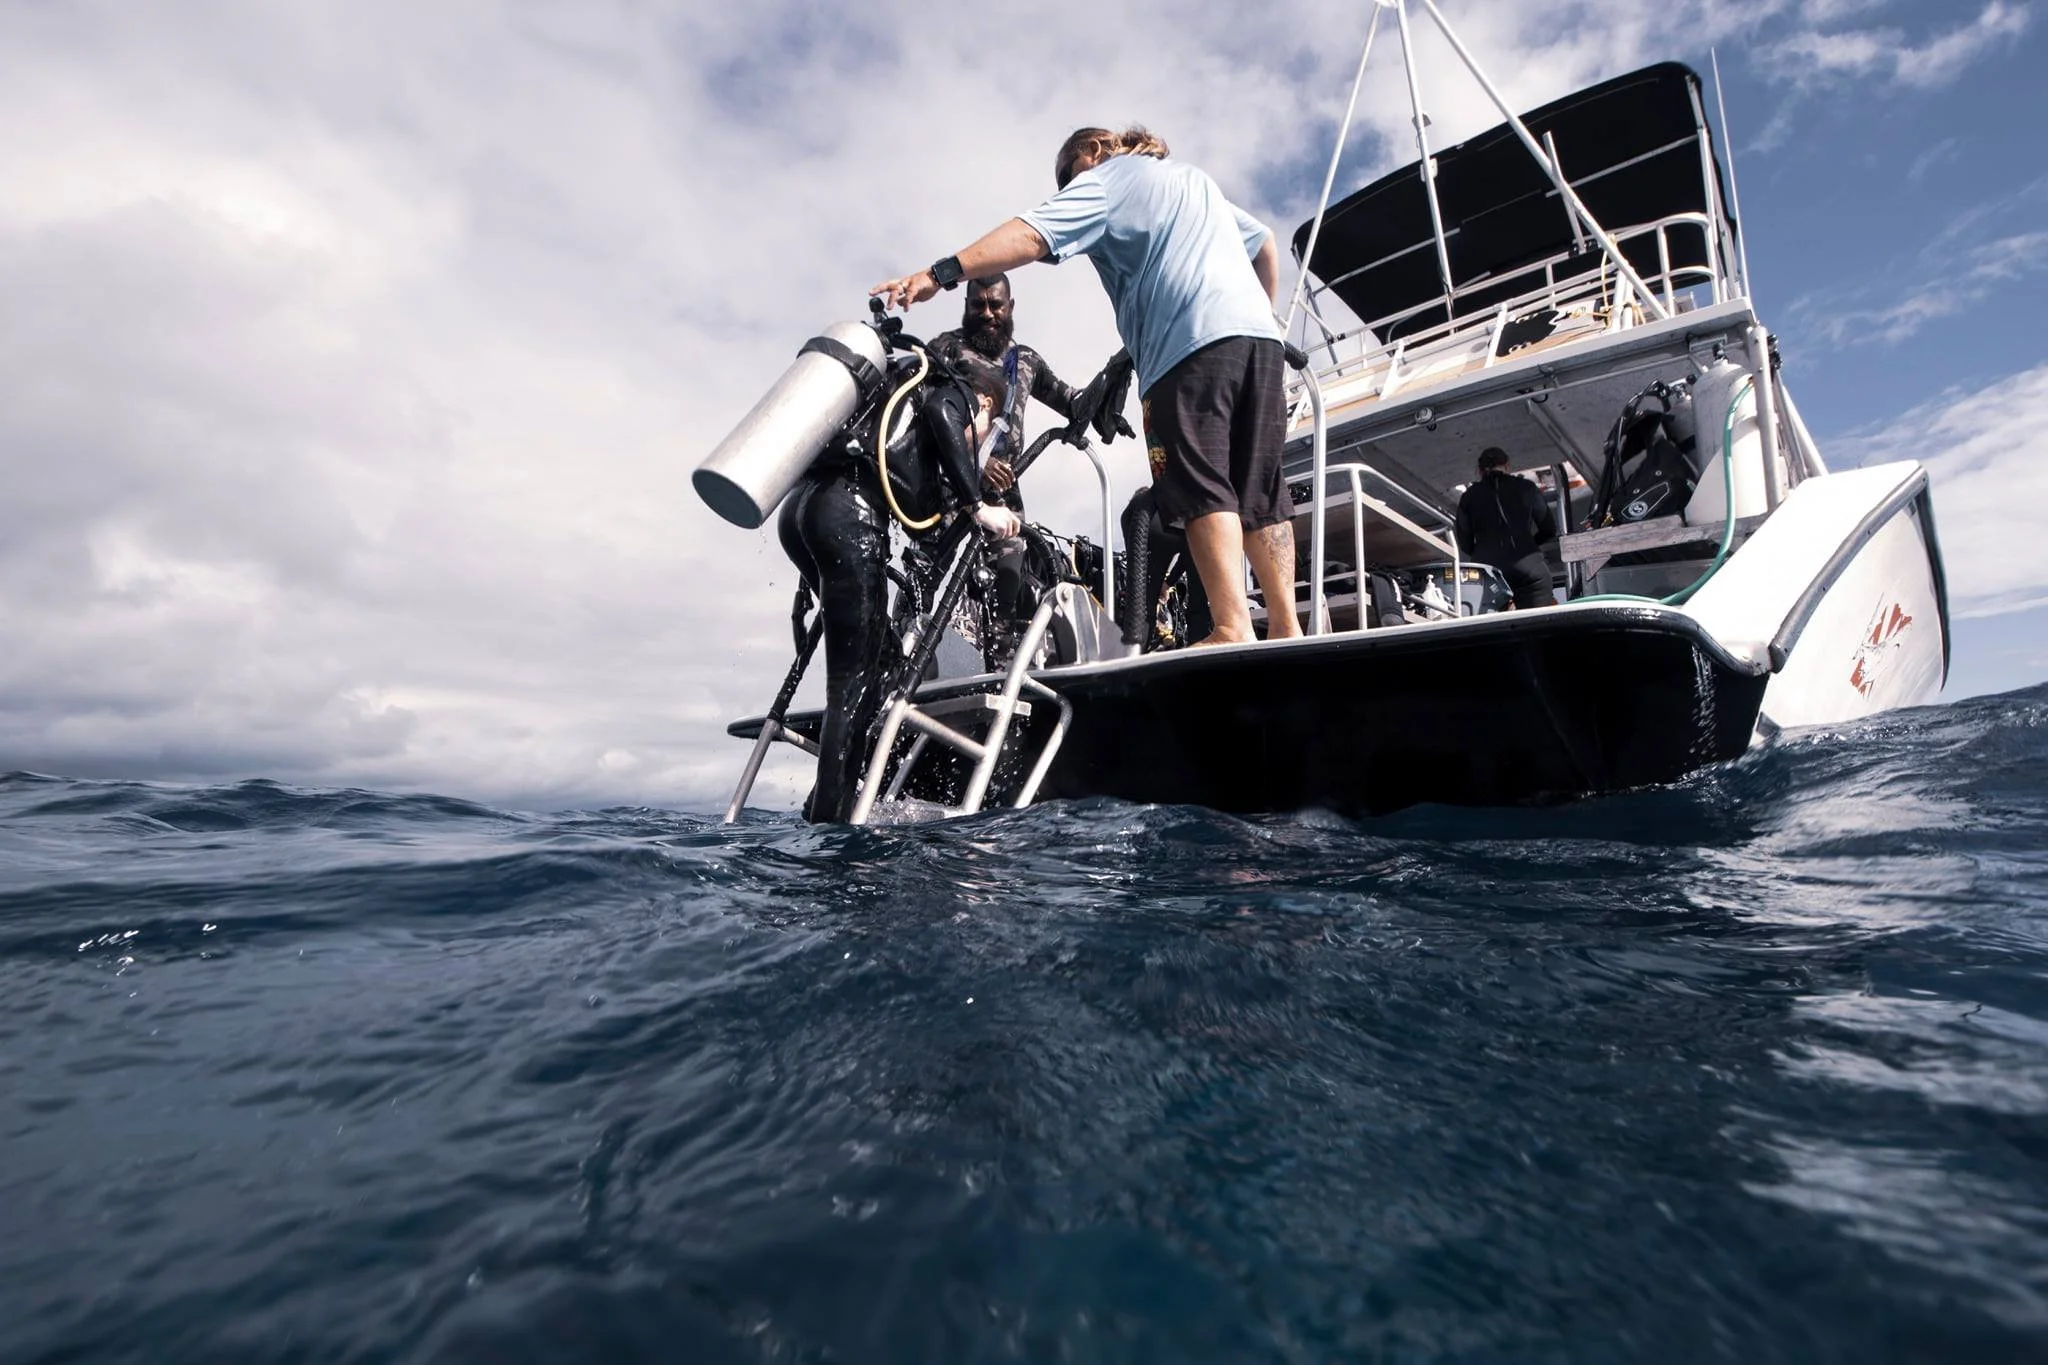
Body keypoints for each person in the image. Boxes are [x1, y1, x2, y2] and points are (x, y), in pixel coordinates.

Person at [872, 125, 1302, 646]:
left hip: (1187, 352)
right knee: (1261, 494)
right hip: (1259, 344)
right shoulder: (1193, 182)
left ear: (1093, 152)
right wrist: (1254, 318)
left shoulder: (1105, 179)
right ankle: (1286, 625)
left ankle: (1233, 628)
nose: (1069, 196)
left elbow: (1029, 236)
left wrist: (938, 274)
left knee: (1200, 483)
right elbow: (1266, 246)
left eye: (1068, 181)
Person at [778, 359, 1016, 822]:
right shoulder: (956, 394)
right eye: (989, 426)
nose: (982, 438)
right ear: (986, 403)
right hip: (849, 516)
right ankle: (832, 831)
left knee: (875, 665)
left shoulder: (894, 404)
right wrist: (978, 506)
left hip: (801, 511)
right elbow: (943, 416)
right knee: (852, 687)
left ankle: (826, 803)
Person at [928, 274, 1079, 507]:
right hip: (951, 485)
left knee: (1019, 544)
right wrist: (976, 458)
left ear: (1010, 306)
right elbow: (924, 412)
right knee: (936, 544)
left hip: (1003, 490)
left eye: (996, 305)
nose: (987, 313)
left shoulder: (1025, 360)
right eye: (978, 305)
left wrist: (1116, 374)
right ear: (966, 305)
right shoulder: (945, 348)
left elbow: (1074, 404)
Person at [1454, 447, 1559, 609]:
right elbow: (1549, 529)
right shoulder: (1527, 487)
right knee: (1538, 627)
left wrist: (1486, 551)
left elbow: (1465, 544)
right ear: (1507, 465)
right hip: (1529, 565)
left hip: (1487, 571)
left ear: (1480, 470)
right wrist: (1529, 543)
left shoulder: (1468, 497)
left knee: (1493, 630)